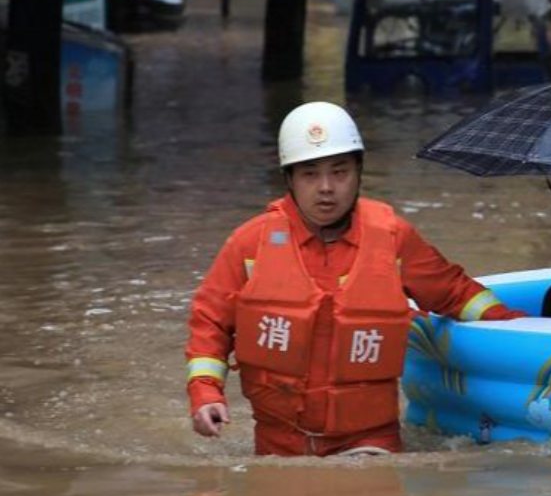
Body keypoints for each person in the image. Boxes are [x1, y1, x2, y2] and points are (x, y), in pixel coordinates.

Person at [184, 101, 524, 457]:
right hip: (279, 444)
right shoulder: (248, 244)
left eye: (340, 172)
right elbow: (210, 324)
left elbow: (455, 293)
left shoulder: (393, 237)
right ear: (289, 179)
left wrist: (520, 327)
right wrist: (205, 393)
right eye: (310, 174)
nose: (326, 187)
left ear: (359, 173)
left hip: (370, 441)